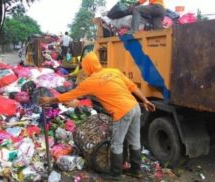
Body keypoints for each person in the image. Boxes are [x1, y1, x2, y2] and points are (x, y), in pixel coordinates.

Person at [39, 52, 156, 181]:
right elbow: (132, 87)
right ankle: (136, 170)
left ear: (88, 67)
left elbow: (69, 95)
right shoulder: (114, 71)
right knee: (135, 141)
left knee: (116, 144)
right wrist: (145, 100)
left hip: (122, 111)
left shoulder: (90, 82)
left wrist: (50, 100)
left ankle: (115, 175)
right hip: (135, 107)